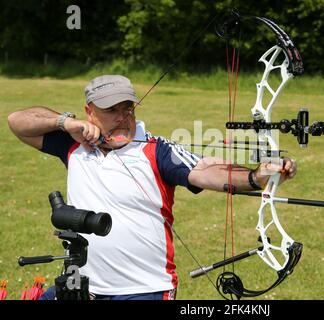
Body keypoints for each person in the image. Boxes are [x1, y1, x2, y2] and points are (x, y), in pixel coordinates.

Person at [7, 75, 297, 300]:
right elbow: (17, 121)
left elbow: (204, 172)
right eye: (111, 110)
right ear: (89, 111)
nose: (122, 116)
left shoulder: (156, 150)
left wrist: (255, 178)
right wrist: (64, 122)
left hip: (144, 290)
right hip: (81, 285)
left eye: (128, 108)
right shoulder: (73, 146)